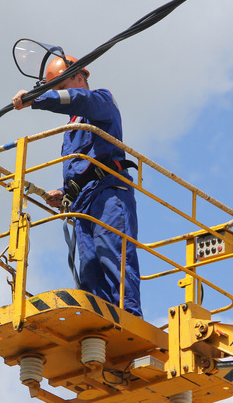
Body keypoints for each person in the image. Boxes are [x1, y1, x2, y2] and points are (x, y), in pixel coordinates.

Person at [12, 56, 143, 317]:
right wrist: (64, 192)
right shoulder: (72, 128)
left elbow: (78, 99)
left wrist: (37, 98)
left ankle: (128, 316)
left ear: (80, 77)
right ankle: (99, 319)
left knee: (112, 254)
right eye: (55, 89)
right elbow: (81, 170)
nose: (58, 93)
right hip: (83, 202)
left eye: (60, 86)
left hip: (108, 192)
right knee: (89, 269)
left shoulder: (102, 101)